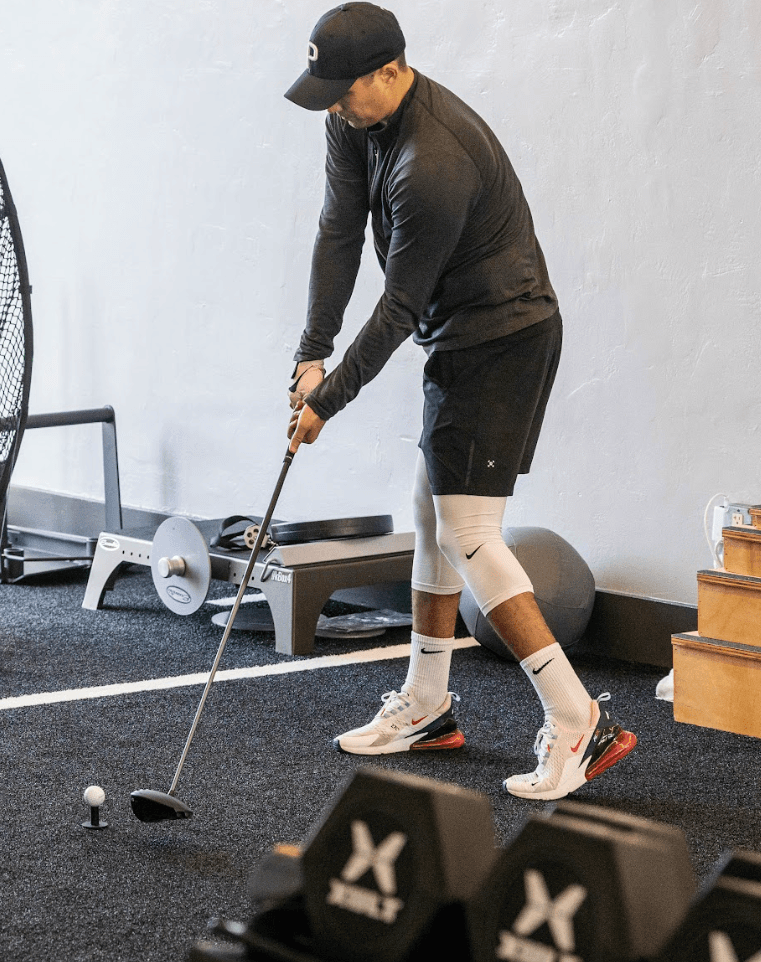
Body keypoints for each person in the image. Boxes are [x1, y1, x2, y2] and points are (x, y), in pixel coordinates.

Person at [282, 2, 636, 800]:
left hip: (503, 340)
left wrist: (327, 401)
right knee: (430, 515)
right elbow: (338, 230)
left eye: (344, 91)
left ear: (391, 72)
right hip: (456, 337)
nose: (334, 106)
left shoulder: (432, 162)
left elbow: (398, 309)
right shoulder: (353, 119)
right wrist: (311, 351)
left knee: (468, 534)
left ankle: (578, 720)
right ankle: (427, 703)